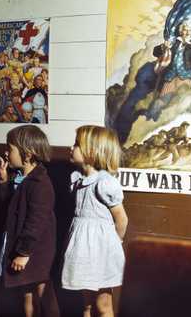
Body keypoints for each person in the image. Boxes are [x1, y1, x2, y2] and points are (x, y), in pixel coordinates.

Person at [62, 126, 128, 317]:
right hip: (82, 252)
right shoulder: (78, 180)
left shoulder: (104, 183)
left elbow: (121, 219)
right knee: (87, 305)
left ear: (92, 151)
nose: (71, 147)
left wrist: (112, 245)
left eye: (76, 144)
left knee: (103, 304)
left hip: (101, 253)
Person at [0, 125, 59, 317]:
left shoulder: (40, 183)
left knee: (43, 293)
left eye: (11, 149)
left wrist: (23, 252)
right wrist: (4, 182)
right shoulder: (21, 178)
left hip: (35, 249)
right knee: (27, 294)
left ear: (28, 154)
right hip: (23, 246)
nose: (6, 154)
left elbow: (36, 221)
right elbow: (9, 208)